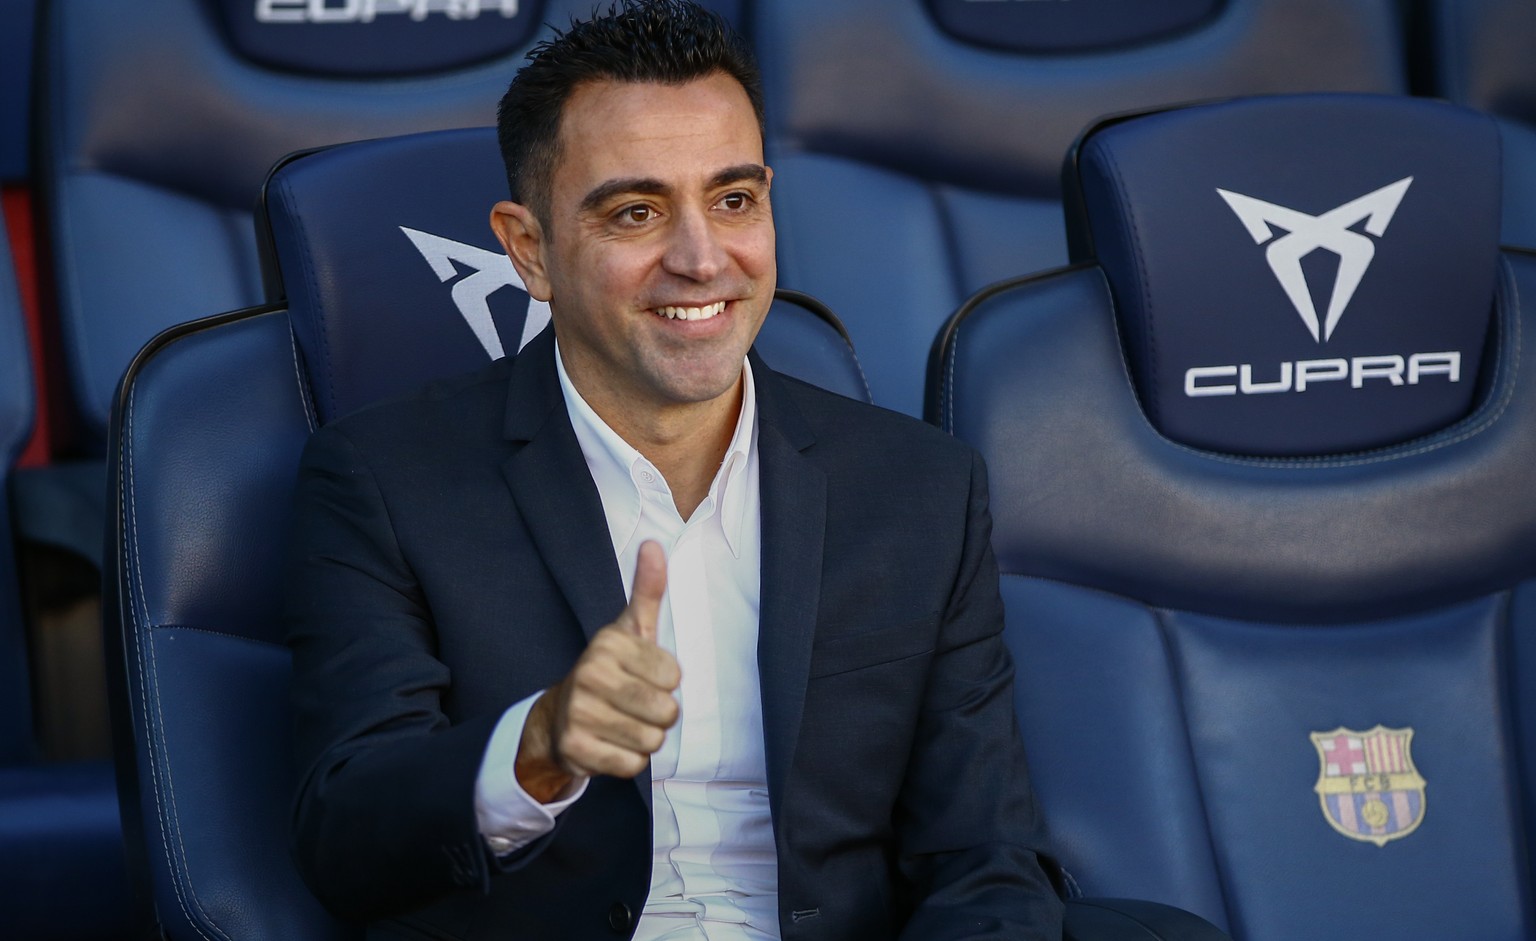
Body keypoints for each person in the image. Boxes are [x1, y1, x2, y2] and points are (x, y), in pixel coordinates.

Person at [283, 2, 1064, 938]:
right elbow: (345, 837)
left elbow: (983, 860)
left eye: (735, 200)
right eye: (637, 212)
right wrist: (537, 748)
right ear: (529, 249)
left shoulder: (921, 486)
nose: (703, 259)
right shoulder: (383, 479)